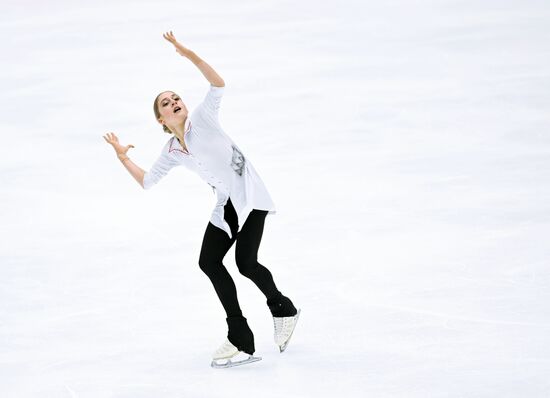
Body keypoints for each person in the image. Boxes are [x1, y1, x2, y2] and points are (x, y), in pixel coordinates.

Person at [102, 31, 300, 368]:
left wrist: (188, 54)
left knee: (245, 264)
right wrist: (123, 158)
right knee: (209, 262)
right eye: (166, 103)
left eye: (175, 97)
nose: (174, 101)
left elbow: (218, 84)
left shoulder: (203, 119)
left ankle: (283, 309)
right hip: (227, 204)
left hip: (250, 197)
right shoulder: (173, 150)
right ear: (161, 120)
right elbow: (148, 181)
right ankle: (240, 334)